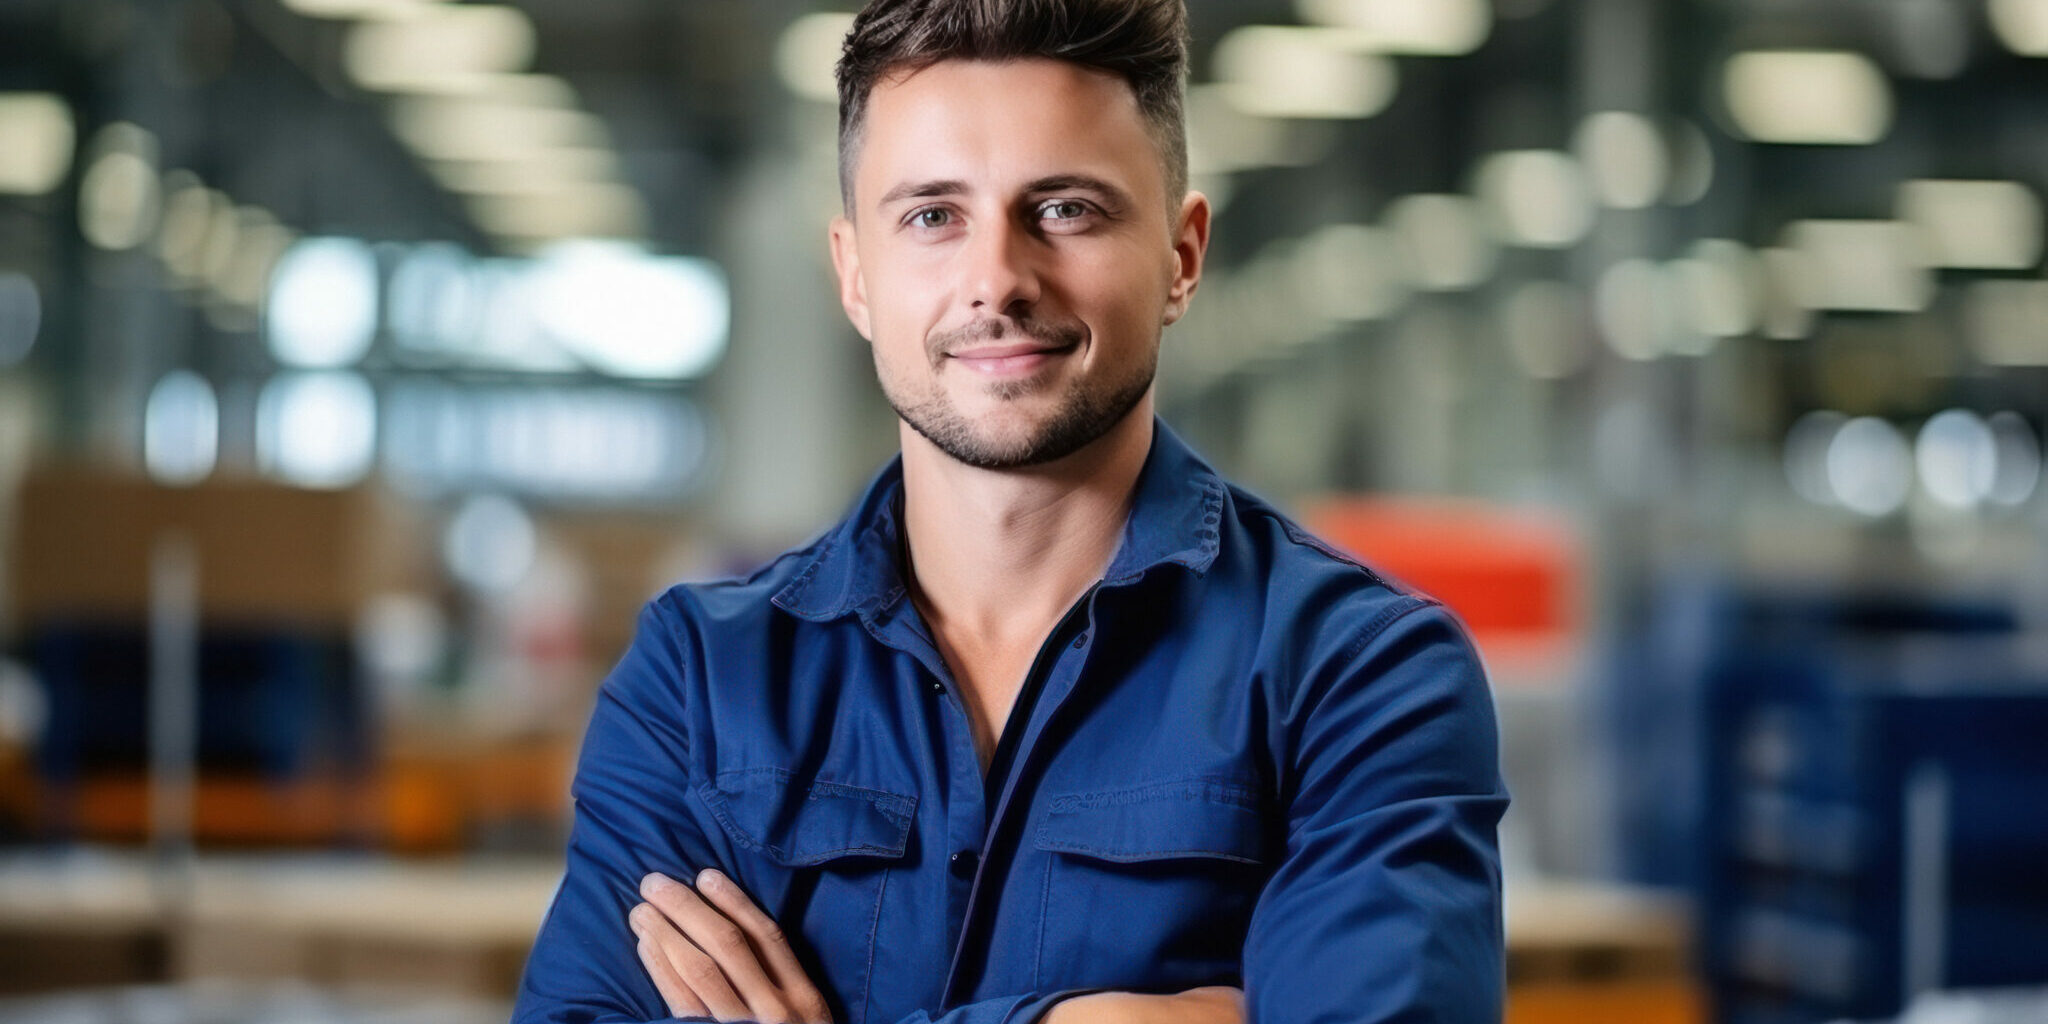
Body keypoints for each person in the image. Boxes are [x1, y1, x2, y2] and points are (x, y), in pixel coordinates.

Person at [512, 1, 1507, 1021]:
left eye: (1067, 208)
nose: (996, 278)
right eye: (932, 216)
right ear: (855, 273)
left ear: (1181, 254)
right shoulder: (698, 686)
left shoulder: (1361, 674)